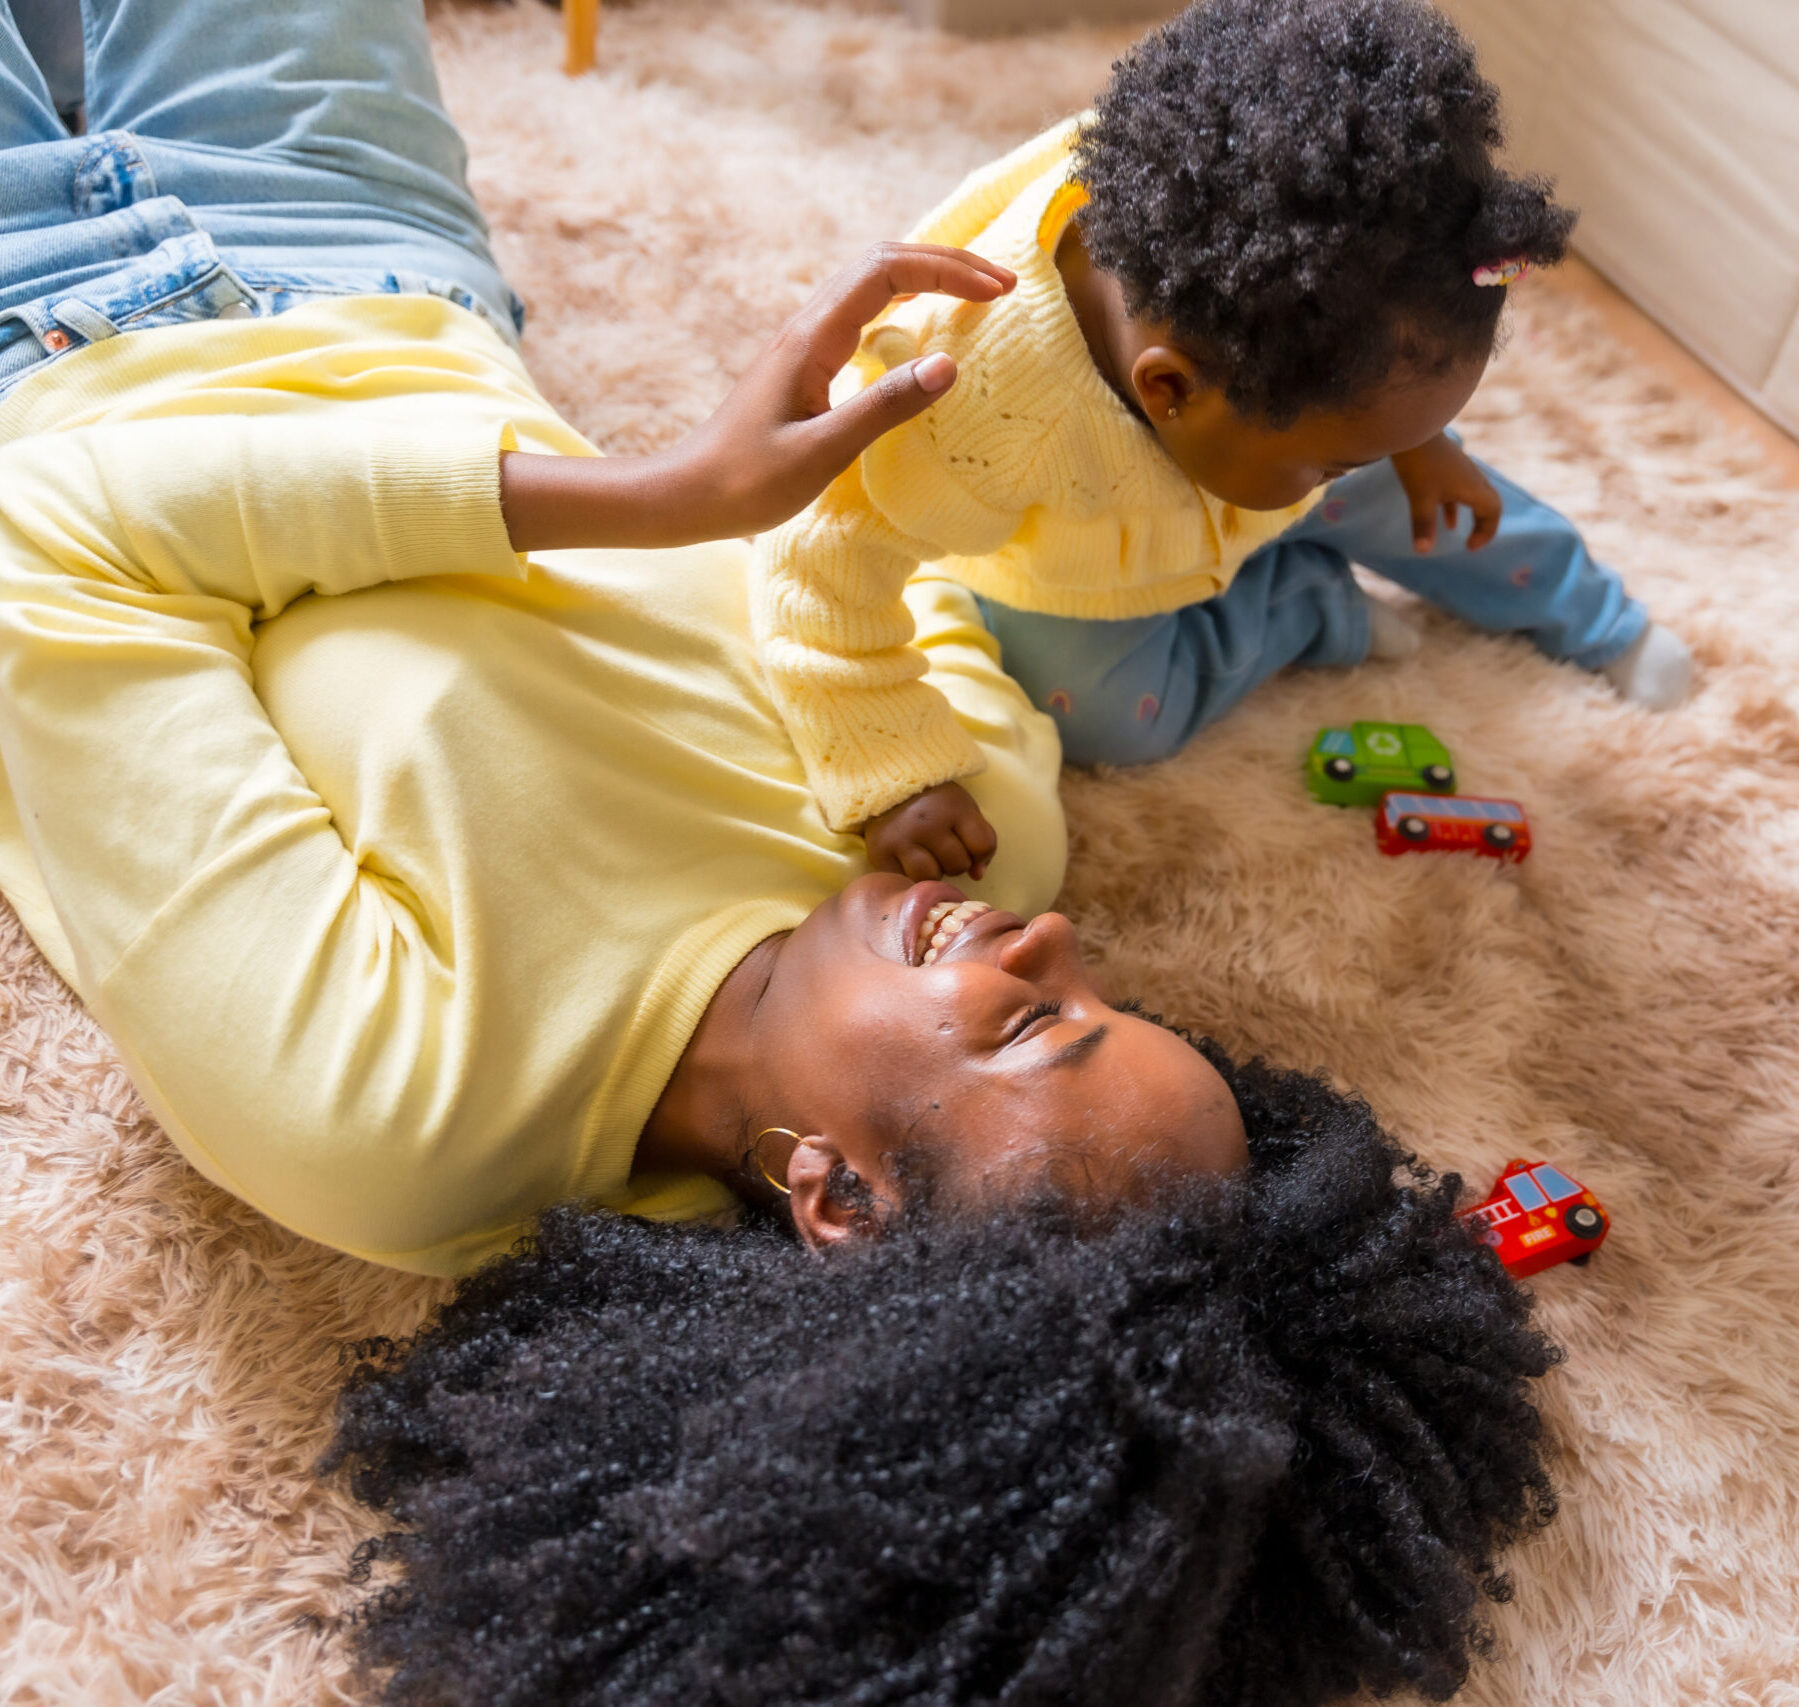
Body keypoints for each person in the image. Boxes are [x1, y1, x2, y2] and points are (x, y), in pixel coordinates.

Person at [0, 3, 1563, 1702]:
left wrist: (654, 502)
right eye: (1087, 983)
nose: (1040, 939)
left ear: (831, 1190)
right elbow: (875, 532)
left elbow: (57, 554)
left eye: (1031, 1021)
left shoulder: (408, 1113)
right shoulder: (968, 818)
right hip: (371, 249)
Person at [769, 0, 1696, 874]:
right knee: (1107, 721)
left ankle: (1592, 615)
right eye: (1347, 452)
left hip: (1262, 438)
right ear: (1169, 390)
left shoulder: (1277, 291)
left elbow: (1356, 401)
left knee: (1441, 503)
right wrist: (894, 771)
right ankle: (1307, 609)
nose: (1374, 461)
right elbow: (816, 567)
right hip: (1082, 558)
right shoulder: (965, 411)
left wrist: (1423, 447)